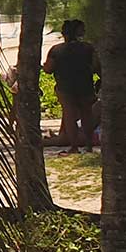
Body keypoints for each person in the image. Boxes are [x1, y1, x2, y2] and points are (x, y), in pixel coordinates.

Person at [43, 19, 101, 154]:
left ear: (64, 33)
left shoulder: (56, 50)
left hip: (65, 86)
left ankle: (74, 146)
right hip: (85, 85)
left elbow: (48, 69)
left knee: (69, 115)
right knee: (86, 114)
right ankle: (89, 145)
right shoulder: (88, 48)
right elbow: (96, 66)